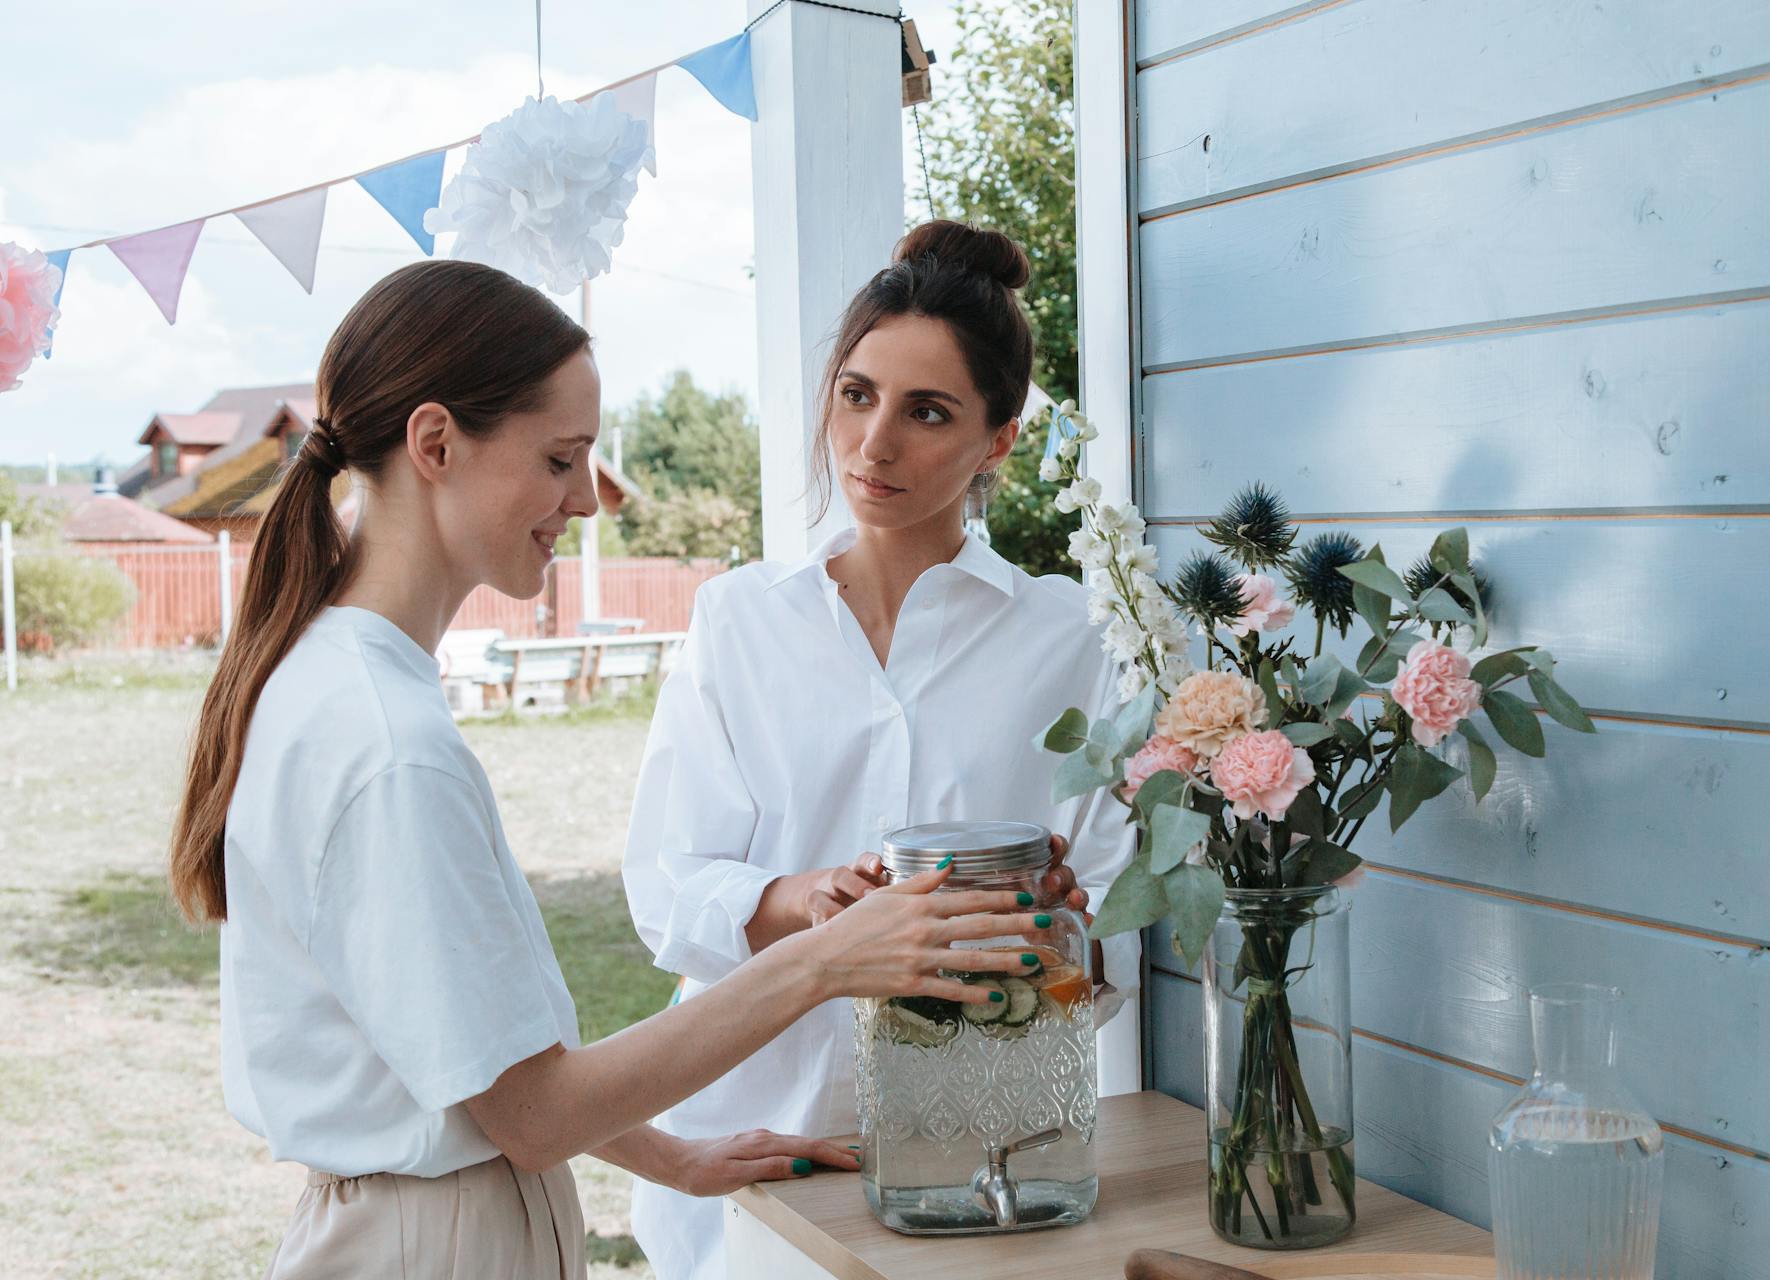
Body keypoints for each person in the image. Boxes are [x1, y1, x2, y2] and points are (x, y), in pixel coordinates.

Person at [169, 259, 1041, 1279]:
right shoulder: (387, 744)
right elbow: (535, 1112)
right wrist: (832, 957)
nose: (587, 497)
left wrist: (668, 1152)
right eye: (560, 457)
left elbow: (468, 1057)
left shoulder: (336, 681)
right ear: (436, 444)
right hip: (437, 1239)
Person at [622, 221, 1143, 1280]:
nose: (874, 444)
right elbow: (666, 886)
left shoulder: (1071, 636)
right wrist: (811, 900)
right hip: (753, 1140)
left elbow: (1104, 922)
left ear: (998, 440)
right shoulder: (738, 621)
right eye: (856, 394)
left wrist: (1055, 923)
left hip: (981, 1156)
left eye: (928, 411)